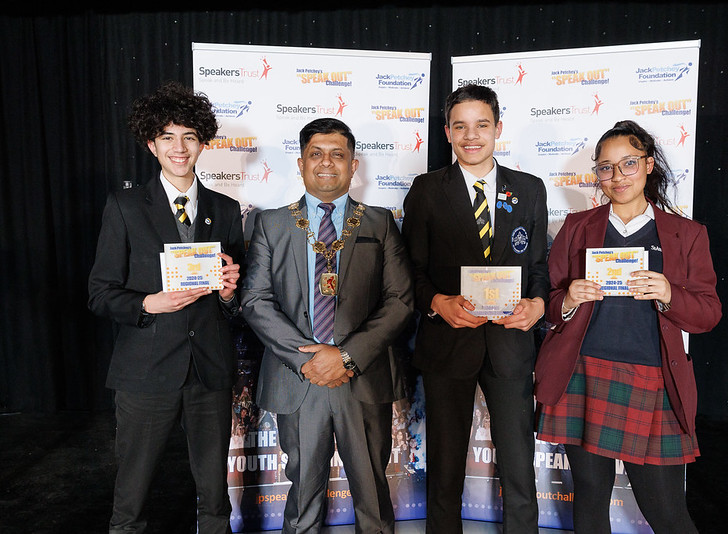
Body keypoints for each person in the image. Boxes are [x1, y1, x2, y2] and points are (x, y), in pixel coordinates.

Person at [534, 120, 722, 534]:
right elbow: (548, 305)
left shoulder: (687, 234)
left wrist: (670, 292)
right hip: (581, 373)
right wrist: (567, 299)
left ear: (649, 164)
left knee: (668, 513)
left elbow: (708, 314)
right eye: (605, 168)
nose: (617, 177)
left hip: (653, 380)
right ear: (597, 173)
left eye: (629, 164)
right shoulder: (576, 226)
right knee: (589, 501)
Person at [240, 117, 414, 533]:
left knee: (372, 489)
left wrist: (346, 356)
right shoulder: (272, 224)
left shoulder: (379, 222)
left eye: (338, 155)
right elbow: (255, 299)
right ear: (300, 164)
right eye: (315, 154)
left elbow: (401, 301)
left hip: (364, 374)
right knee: (303, 491)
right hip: (300, 377)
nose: (326, 163)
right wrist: (309, 359)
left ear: (353, 166)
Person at [87, 81, 244, 534]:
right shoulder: (125, 206)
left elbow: (235, 299)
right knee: (132, 493)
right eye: (169, 138)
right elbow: (100, 293)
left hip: (209, 370)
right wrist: (147, 303)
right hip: (146, 370)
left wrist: (231, 292)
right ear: (152, 143)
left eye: (190, 137)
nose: (180, 148)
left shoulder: (226, 208)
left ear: (203, 143)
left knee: (214, 493)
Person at [402, 84, 548, 533]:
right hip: (449, 342)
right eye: (460, 126)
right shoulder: (427, 190)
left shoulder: (530, 189)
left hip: (511, 342)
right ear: (447, 132)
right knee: (445, 467)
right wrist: (436, 302)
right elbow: (410, 271)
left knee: (519, 465)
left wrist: (539, 305)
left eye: (481, 125)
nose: (471, 135)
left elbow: (539, 264)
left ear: (498, 128)